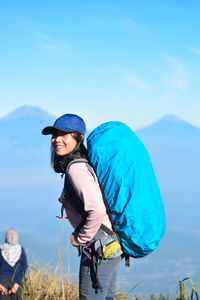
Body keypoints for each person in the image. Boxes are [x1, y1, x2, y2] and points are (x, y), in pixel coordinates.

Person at [42, 113, 122, 300]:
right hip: (111, 245)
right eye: (54, 134)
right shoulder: (84, 164)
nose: (57, 139)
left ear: (79, 138)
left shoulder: (76, 169)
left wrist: (80, 237)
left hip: (98, 248)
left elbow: (97, 209)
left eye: (64, 134)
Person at [0, 228, 27, 300]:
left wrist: (0, 286)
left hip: (2, 281)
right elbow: (24, 267)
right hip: (15, 281)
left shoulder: (1, 249)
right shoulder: (20, 249)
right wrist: (17, 284)